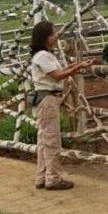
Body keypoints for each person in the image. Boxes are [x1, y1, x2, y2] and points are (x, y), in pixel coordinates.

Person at [29, 20, 95, 190]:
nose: (56, 36)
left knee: (44, 140)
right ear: (44, 38)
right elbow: (58, 75)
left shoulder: (45, 55)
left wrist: (77, 65)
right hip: (48, 100)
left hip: (46, 100)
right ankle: (53, 178)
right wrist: (78, 66)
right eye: (52, 34)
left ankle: (42, 177)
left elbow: (58, 72)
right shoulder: (43, 56)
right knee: (51, 140)